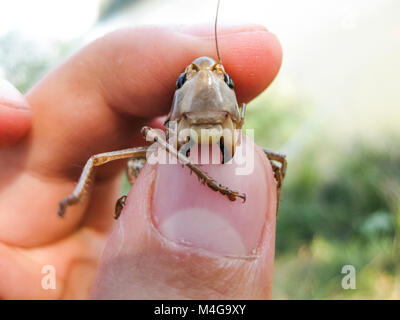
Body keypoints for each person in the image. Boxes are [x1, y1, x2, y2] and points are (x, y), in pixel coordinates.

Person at [0, 25, 282, 299]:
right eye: (185, 82)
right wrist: (74, 197)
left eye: (225, 82)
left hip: (212, 134)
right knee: (117, 161)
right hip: (176, 137)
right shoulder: (168, 130)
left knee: (277, 163)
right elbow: (99, 159)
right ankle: (78, 199)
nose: (206, 84)